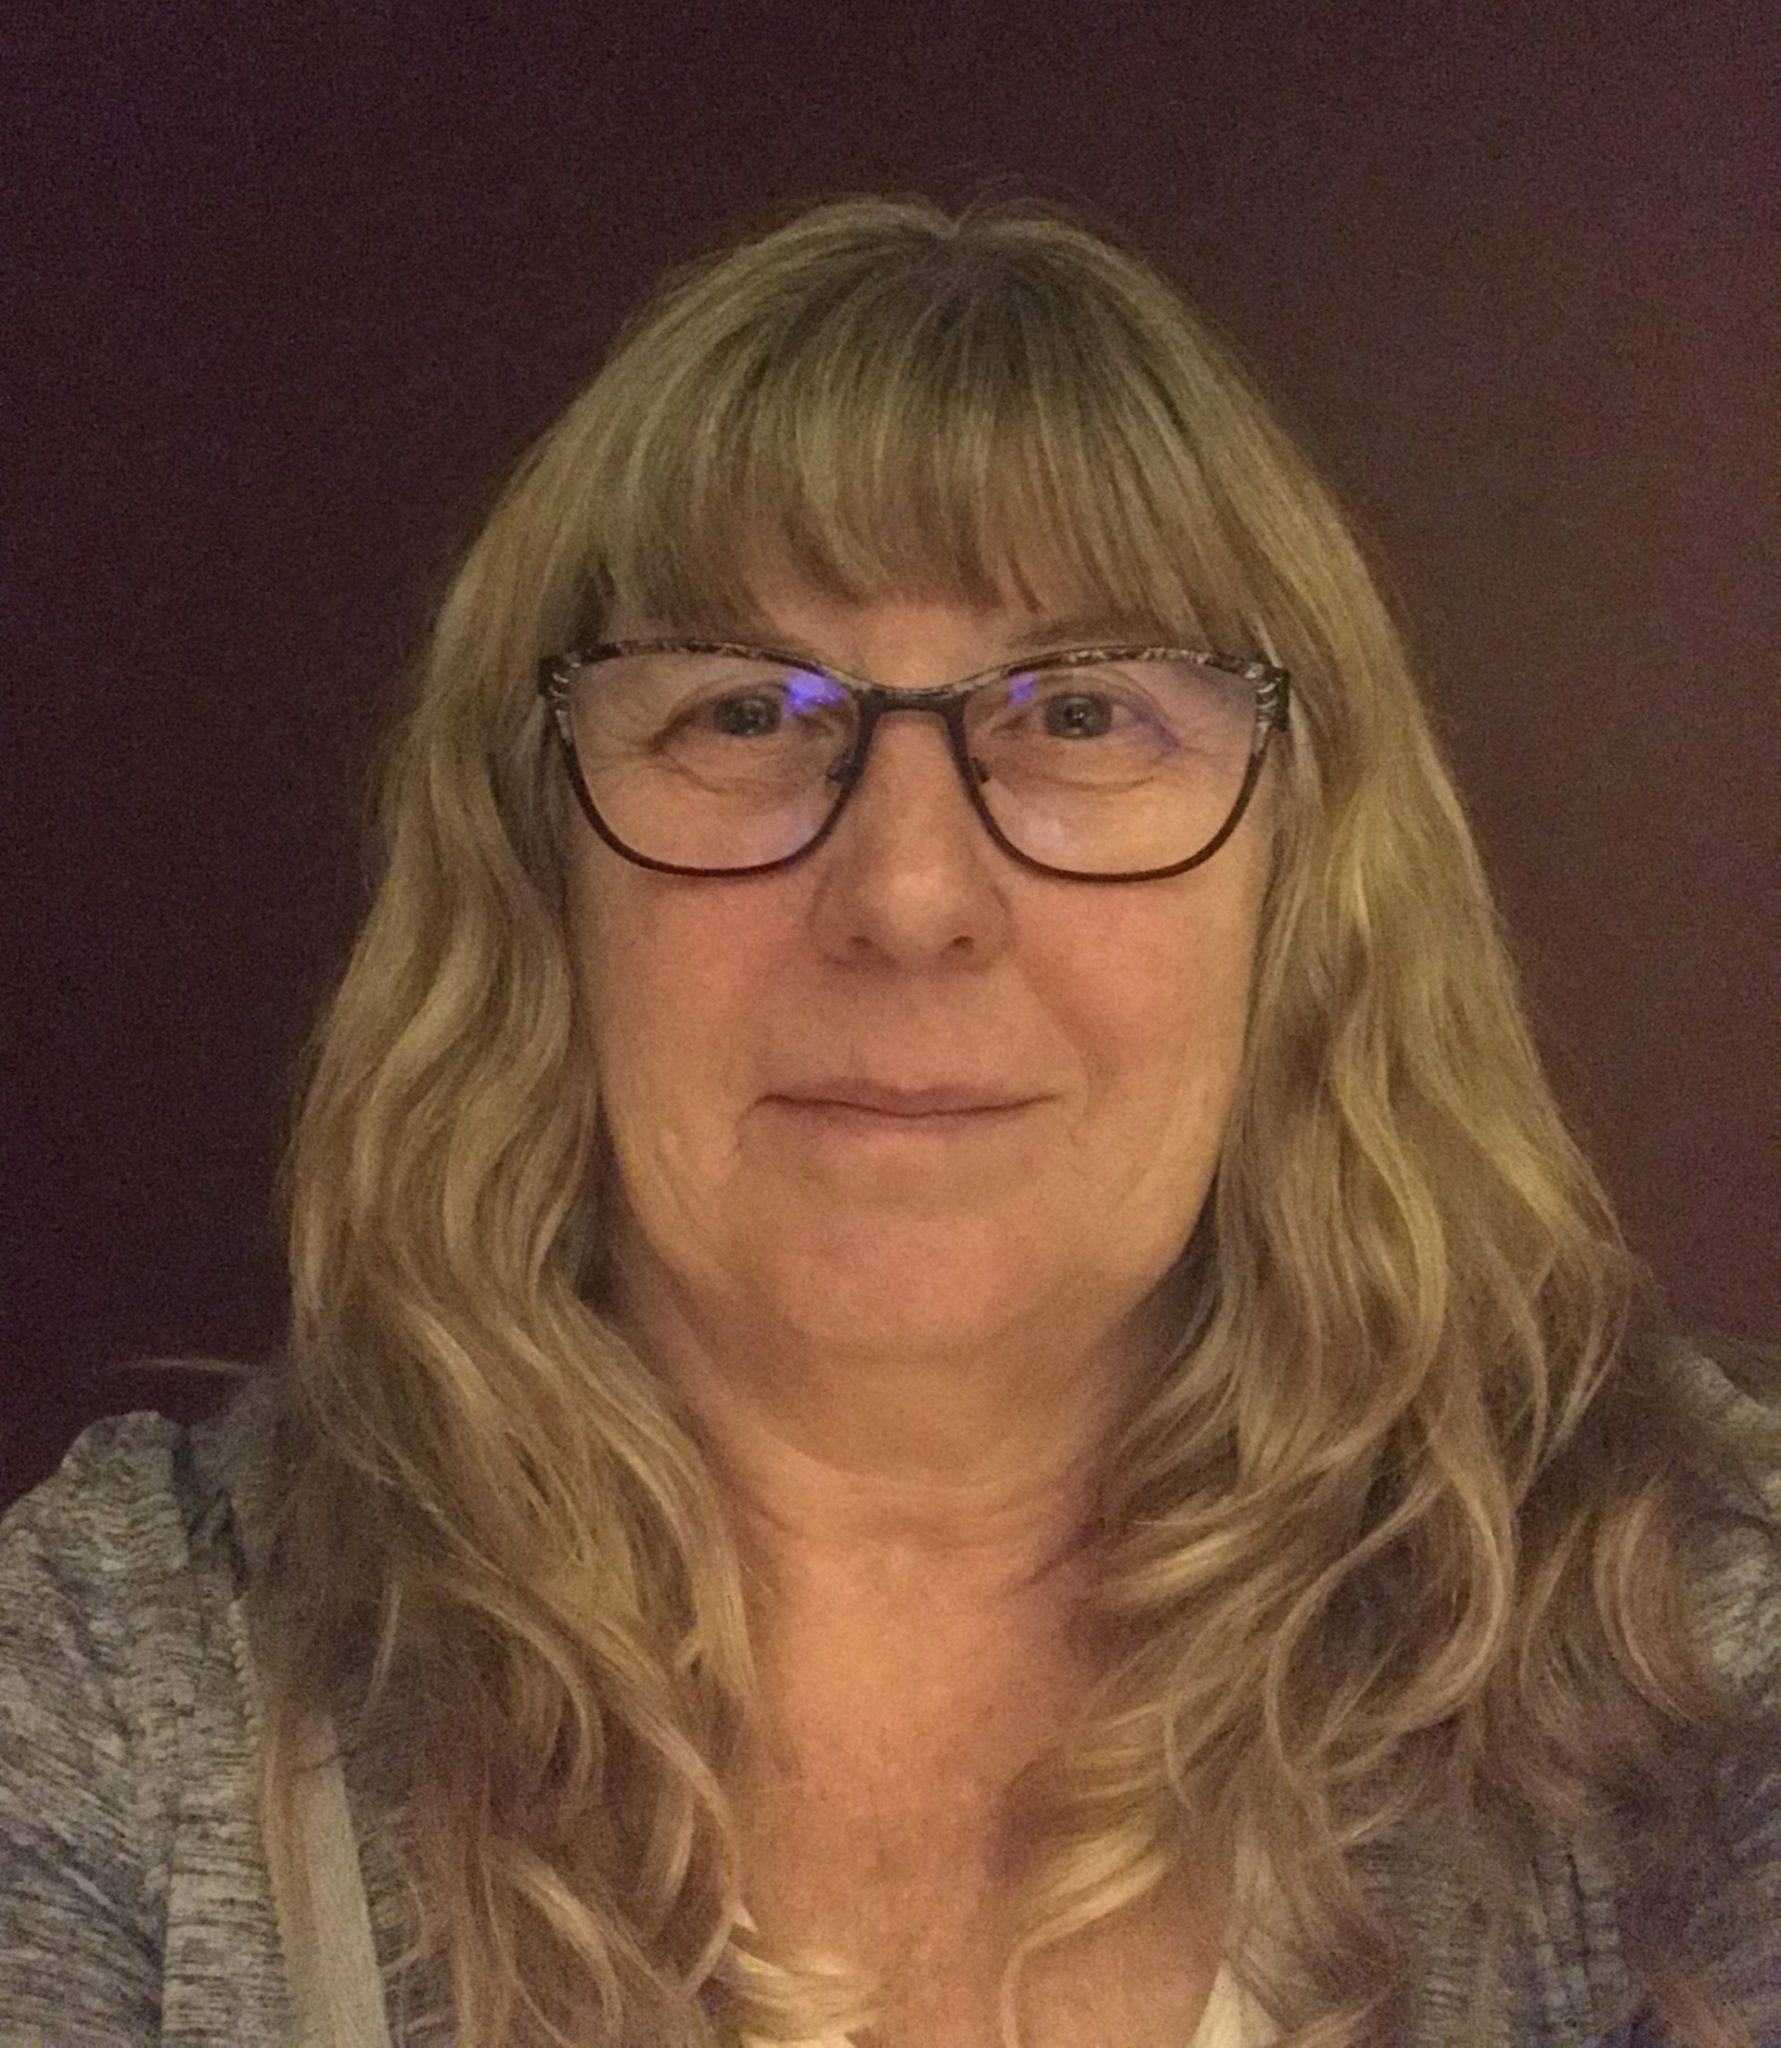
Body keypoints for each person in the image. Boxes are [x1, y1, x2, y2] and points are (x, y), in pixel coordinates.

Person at [1, 193, 1777, 2048]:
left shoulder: (1701, 1641)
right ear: (538, 880)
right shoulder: (130, 1682)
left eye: (1078, 714)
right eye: (740, 712)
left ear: (1301, 884)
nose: (909, 892)